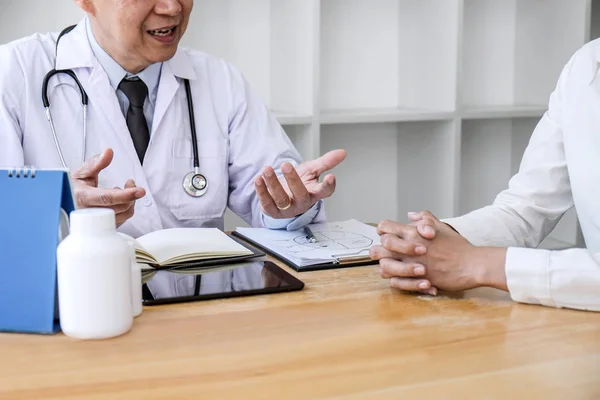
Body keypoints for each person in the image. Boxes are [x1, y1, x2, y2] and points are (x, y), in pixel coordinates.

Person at [0, 0, 346, 238]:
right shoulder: (14, 73)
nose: (172, 7)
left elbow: (272, 197)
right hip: (74, 317)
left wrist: (288, 204)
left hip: (194, 320)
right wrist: (54, 207)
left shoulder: (220, 80)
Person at [370, 39, 600, 312]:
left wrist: (478, 263)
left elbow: (478, 260)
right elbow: (525, 209)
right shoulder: (586, 66)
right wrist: (431, 243)